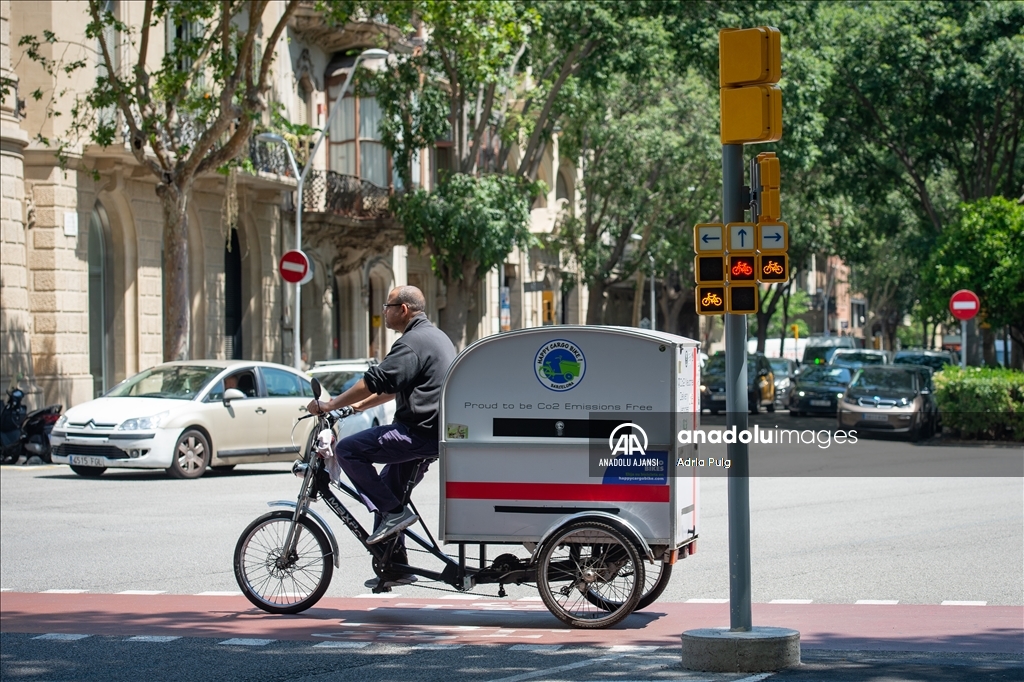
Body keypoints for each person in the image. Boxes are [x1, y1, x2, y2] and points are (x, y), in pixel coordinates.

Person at [307, 285, 456, 586]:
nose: (383, 313)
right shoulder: (433, 337)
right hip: (432, 434)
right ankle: (396, 566)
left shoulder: (411, 343)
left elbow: (377, 379)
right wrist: (355, 408)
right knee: (387, 487)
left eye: (386, 306)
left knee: (349, 450)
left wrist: (331, 403)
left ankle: (394, 514)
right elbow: (392, 387)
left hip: (417, 433)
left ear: (402, 309)